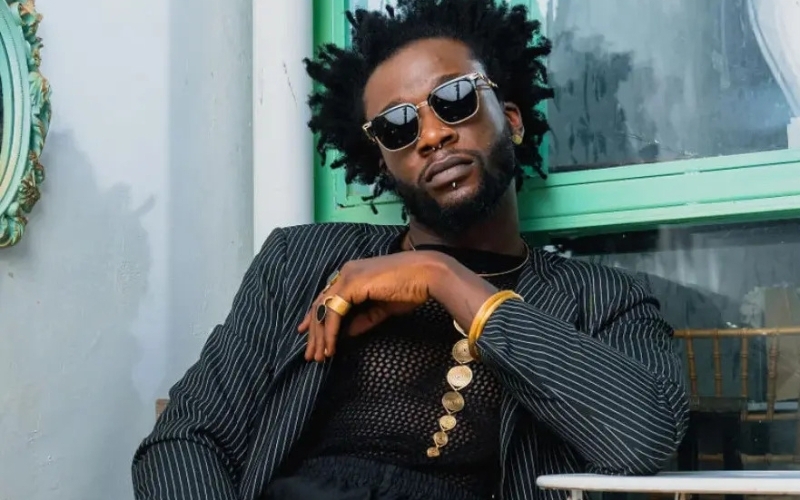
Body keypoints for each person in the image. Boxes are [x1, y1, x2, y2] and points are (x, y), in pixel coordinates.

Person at [131, 1, 689, 499]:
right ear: (384, 162)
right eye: (397, 127)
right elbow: (185, 439)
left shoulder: (603, 300)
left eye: (455, 99)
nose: (431, 135)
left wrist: (442, 276)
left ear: (512, 120)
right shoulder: (297, 262)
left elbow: (645, 438)